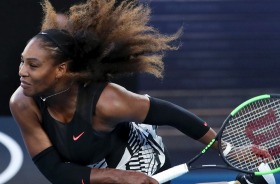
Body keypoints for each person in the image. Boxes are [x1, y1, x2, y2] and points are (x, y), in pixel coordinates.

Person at [9, 0, 274, 183]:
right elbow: (54, 171)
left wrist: (227, 149)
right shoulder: (22, 103)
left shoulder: (107, 101)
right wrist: (118, 177)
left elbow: (172, 115)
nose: (22, 71)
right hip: (98, 167)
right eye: (22, 61)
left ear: (61, 70)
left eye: (33, 65)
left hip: (135, 154)